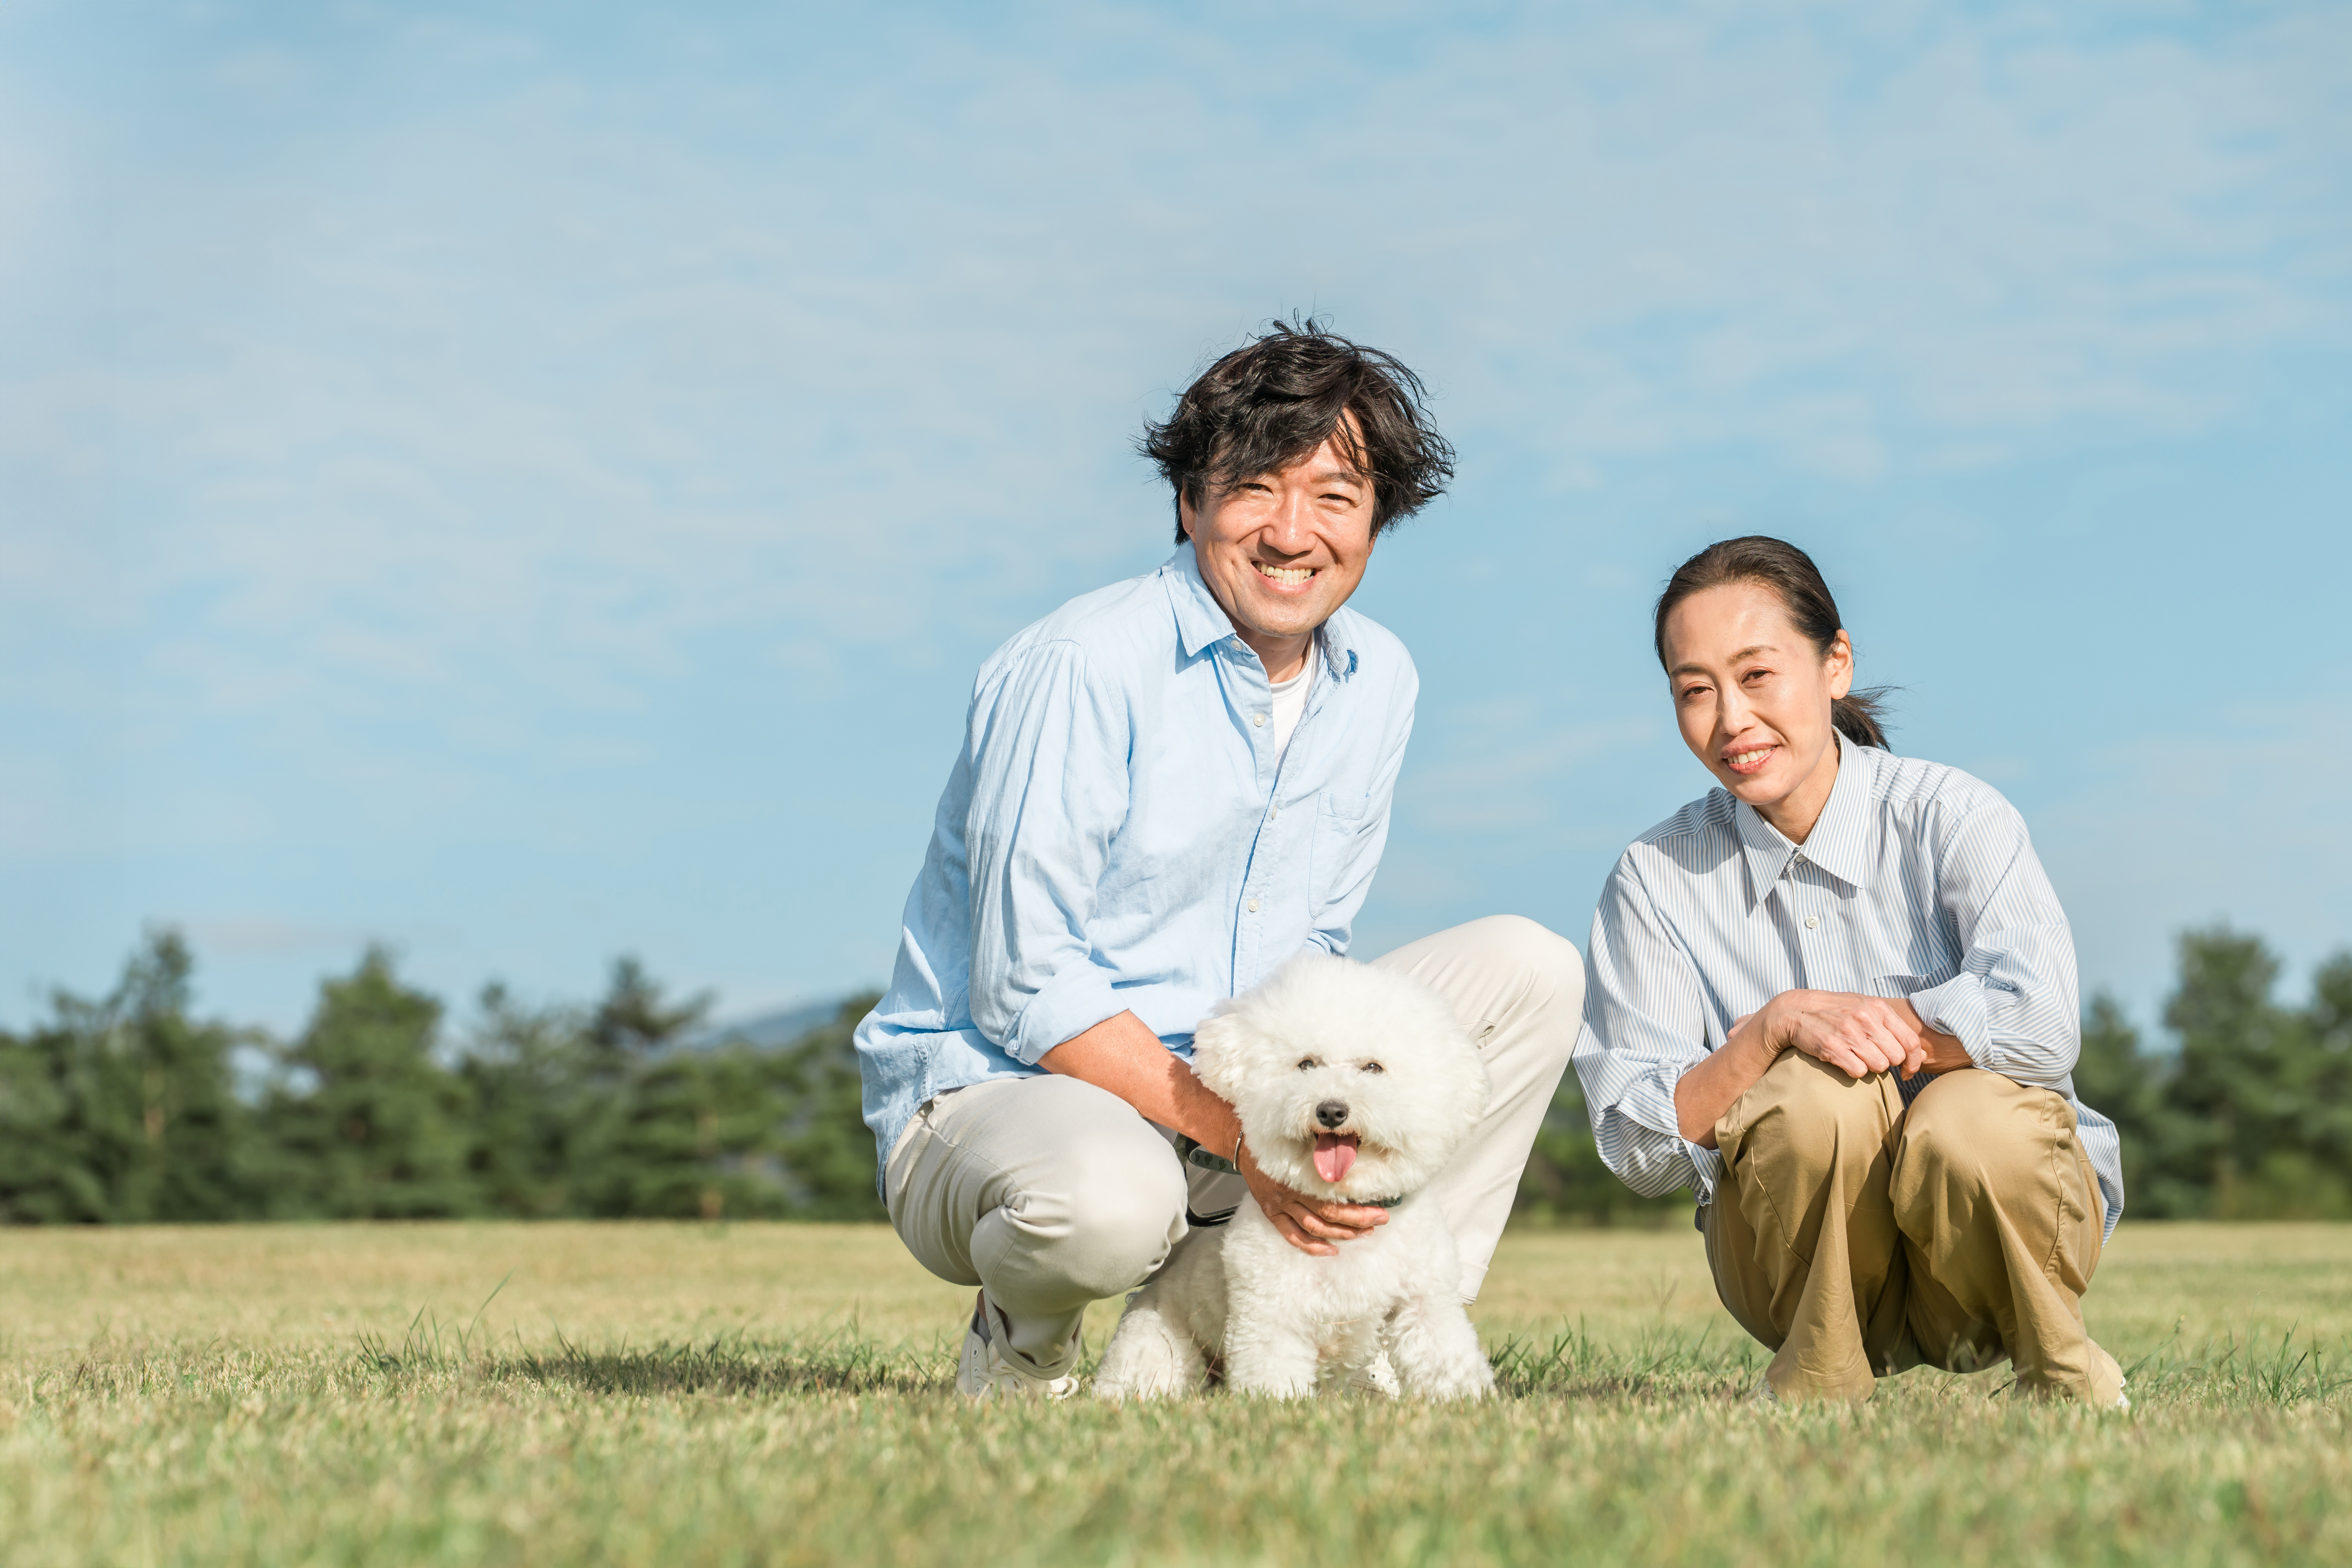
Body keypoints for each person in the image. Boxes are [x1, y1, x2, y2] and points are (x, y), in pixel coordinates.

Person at [854, 321, 1584, 1399]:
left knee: (1530, 968)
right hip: (1005, 1094)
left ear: (1379, 520)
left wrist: (1269, 1117)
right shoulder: (1082, 665)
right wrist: (1241, 1137)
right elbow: (1024, 985)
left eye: (1335, 495)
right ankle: (1022, 1342)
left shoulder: (1379, 677)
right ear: (1192, 501)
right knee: (1105, 1199)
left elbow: (1319, 949)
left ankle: (1380, 1312)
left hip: (1227, 1091)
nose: (1294, 530)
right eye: (1254, 487)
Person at [1575, 536, 2128, 1407]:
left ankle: (2059, 1363)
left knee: (1967, 1120)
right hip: (1792, 1277)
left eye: (1757, 675)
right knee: (1804, 1098)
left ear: (1835, 662)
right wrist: (1771, 1028)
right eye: (1694, 690)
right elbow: (1637, 1149)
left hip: (1995, 1248)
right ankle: (1818, 1379)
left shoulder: (1953, 815)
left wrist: (1877, 1025)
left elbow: (2044, 1022)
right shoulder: (1653, 876)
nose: (1728, 719)